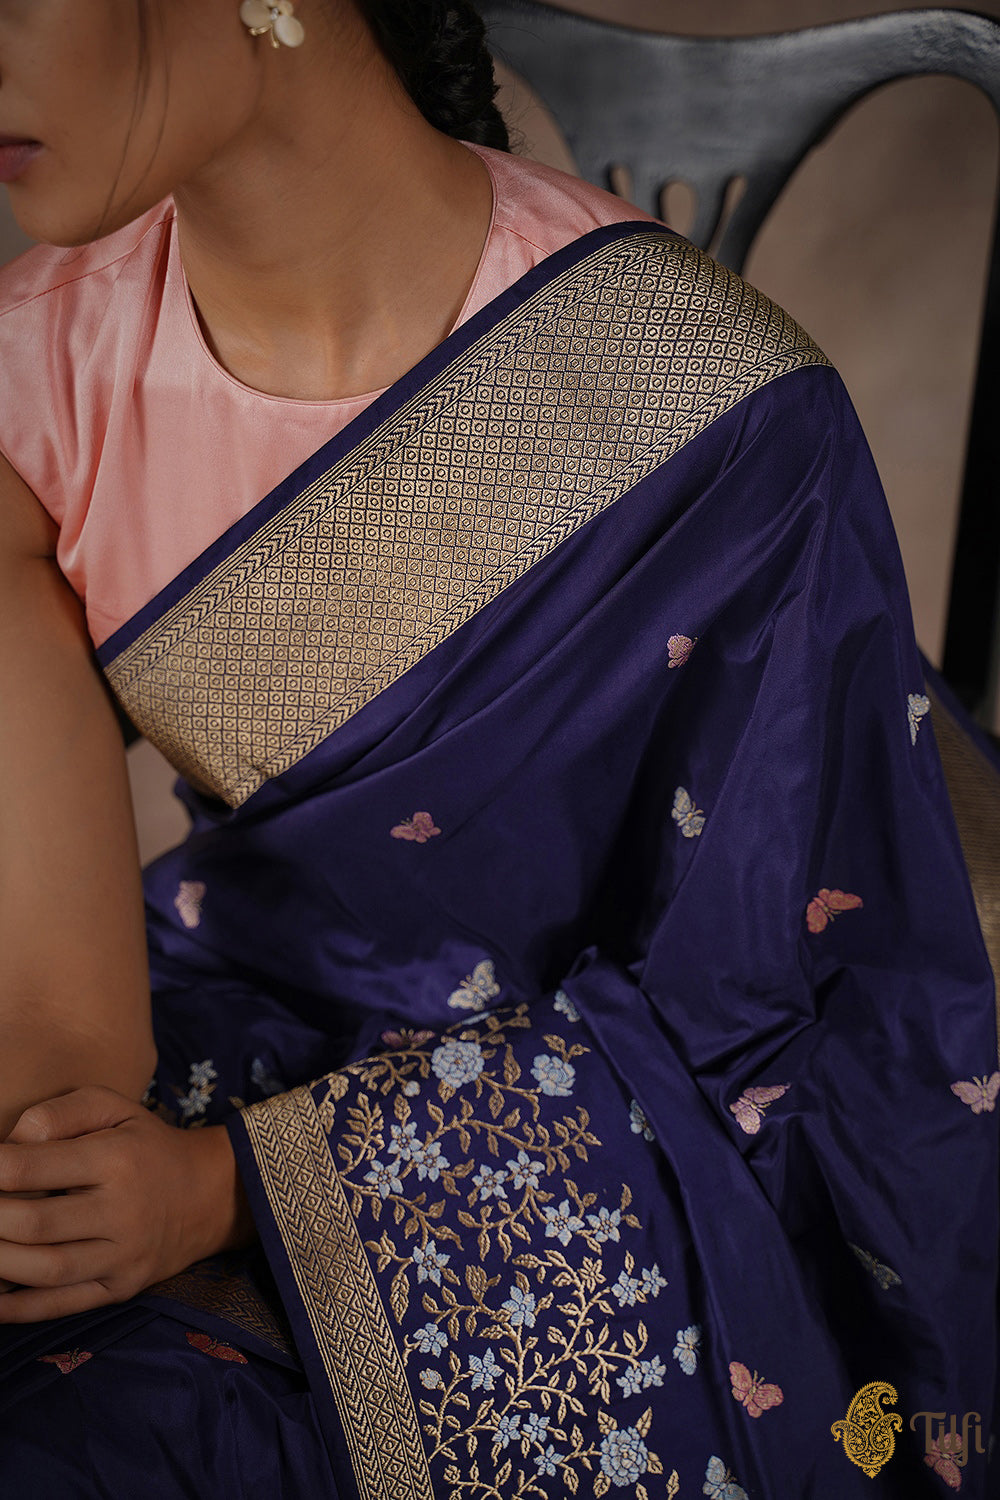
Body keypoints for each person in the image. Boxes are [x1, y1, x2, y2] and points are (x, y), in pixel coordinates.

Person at [0, 2, 996, 1495]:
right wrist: (59, 1185)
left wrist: (240, 1190)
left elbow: (772, 1010)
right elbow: (56, 1037)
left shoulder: (709, 409)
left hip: (617, 1159)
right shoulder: (37, 381)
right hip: (246, 1015)